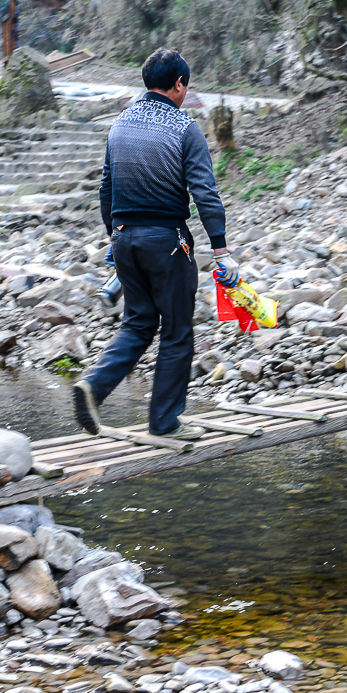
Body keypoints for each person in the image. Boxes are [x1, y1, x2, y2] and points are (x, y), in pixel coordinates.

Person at [71, 48, 238, 440]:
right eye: (186, 86)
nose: (185, 92)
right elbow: (205, 194)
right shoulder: (184, 128)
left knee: (139, 323)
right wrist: (221, 250)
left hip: (125, 237)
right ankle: (164, 422)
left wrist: (114, 237)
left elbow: (106, 189)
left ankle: (93, 386)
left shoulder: (120, 124)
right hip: (168, 242)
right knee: (177, 330)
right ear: (179, 84)